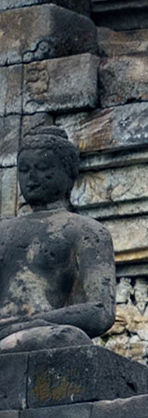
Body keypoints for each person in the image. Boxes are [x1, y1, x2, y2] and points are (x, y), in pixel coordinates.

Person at [0, 125, 116, 351]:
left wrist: (32, 322)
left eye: (43, 168)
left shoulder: (85, 230)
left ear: (69, 173)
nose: (32, 177)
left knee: (68, 338)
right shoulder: (3, 230)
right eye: (24, 170)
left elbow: (101, 311)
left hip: (42, 333)